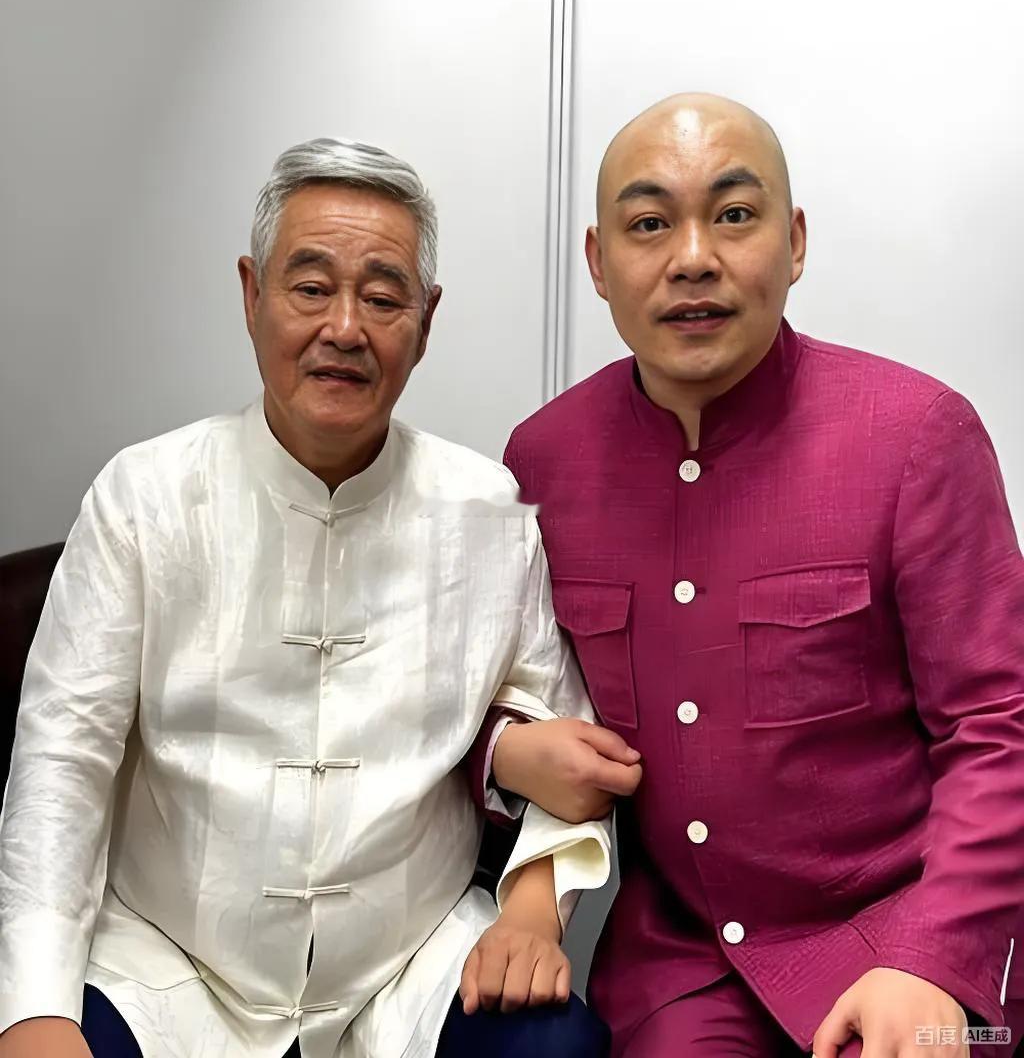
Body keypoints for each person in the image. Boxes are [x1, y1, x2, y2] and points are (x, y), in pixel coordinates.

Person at [0, 138, 615, 1058]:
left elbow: (560, 734)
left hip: (407, 966)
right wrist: (34, 1006)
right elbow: (63, 760)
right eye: (312, 287)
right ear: (252, 296)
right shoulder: (144, 496)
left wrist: (531, 911)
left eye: (384, 297)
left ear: (426, 321)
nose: (345, 327)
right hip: (169, 966)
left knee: (555, 1046)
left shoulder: (486, 511)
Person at [487, 93, 1024, 1057]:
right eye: (650, 224)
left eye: (734, 214)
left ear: (796, 241)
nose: (693, 257)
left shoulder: (917, 435)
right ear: (598, 263)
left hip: (908, 942)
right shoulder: (543, 462)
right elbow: (502, 693)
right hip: (684, 968)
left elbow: (1000, 724)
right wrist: (504, 753)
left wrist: (933, 957)